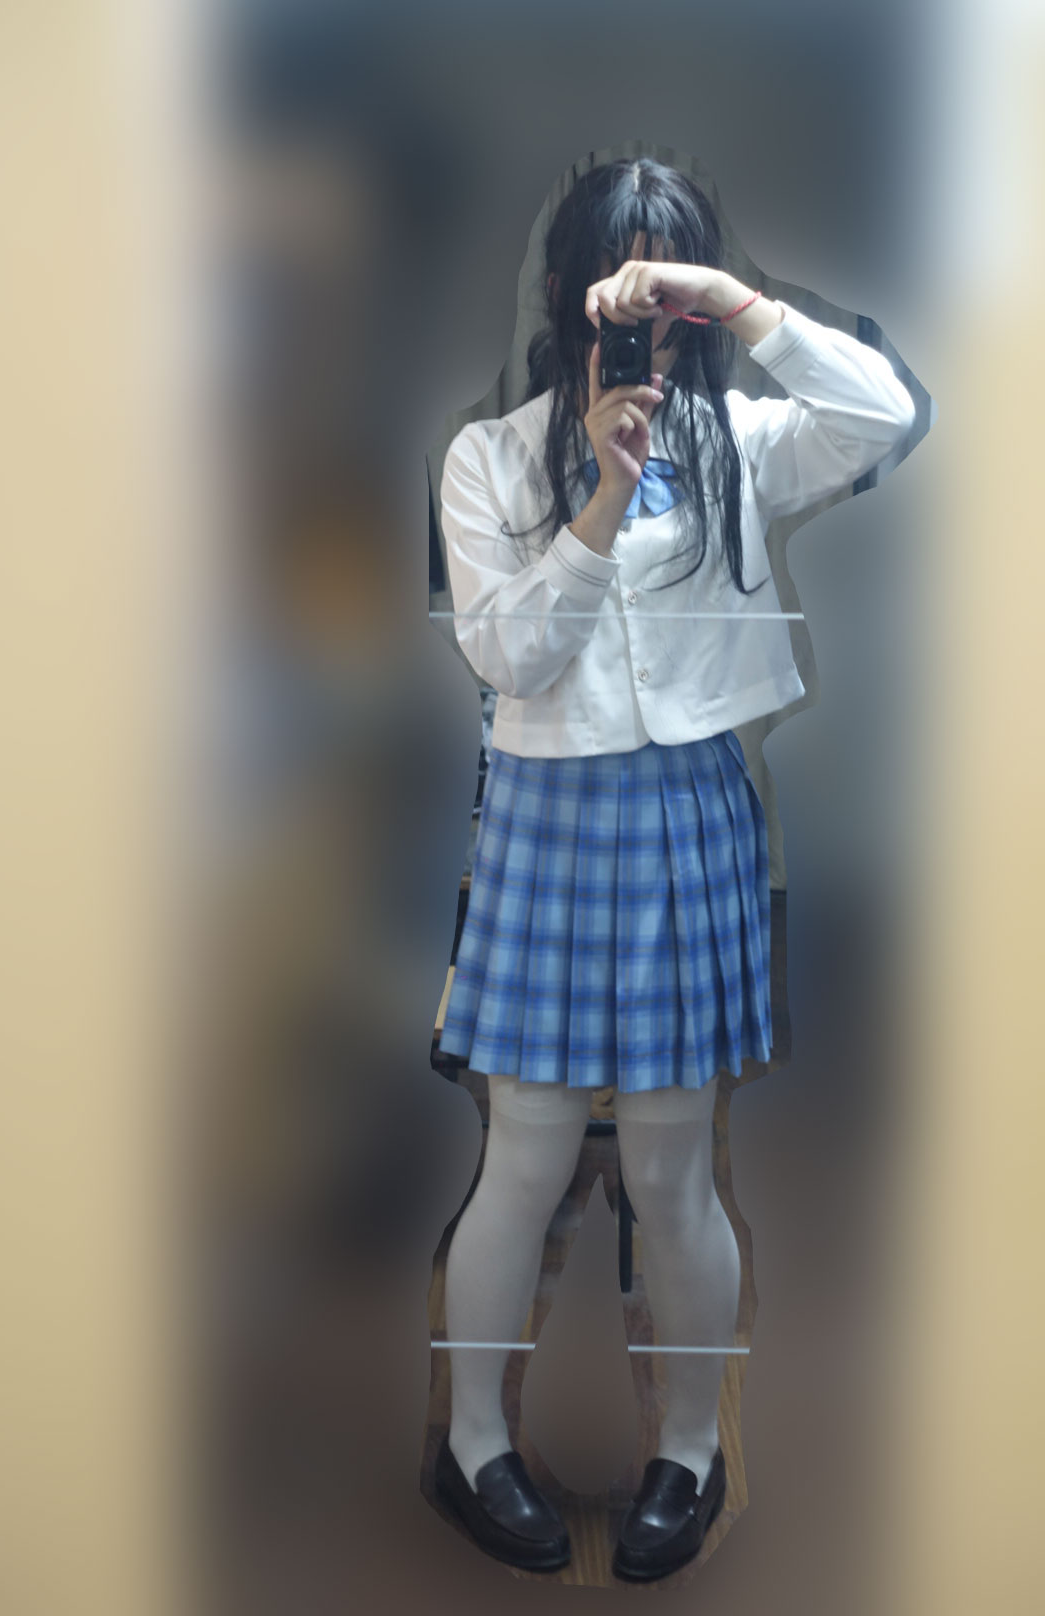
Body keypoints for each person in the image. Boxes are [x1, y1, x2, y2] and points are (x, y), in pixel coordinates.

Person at [432, 157, 916, 1580]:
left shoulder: (743, 443)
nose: (647, 311)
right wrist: (602, 498)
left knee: (673, 1169)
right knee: (522, 1161)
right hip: (542, 816)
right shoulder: (490, 459)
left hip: (690, 810)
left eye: (670, 282)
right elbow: (509, 657)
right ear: (567, 286)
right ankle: (474, 1443)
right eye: (625, 276)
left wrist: (739, 303)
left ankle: (690, 1453)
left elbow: (884, 413)